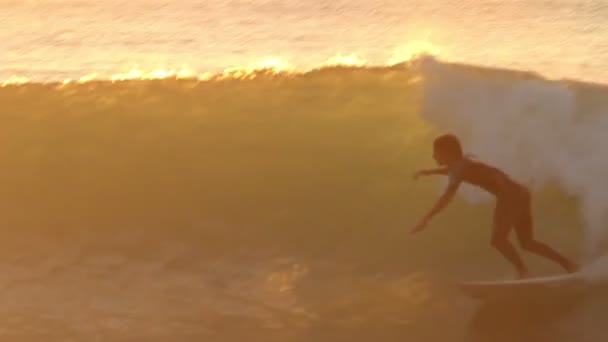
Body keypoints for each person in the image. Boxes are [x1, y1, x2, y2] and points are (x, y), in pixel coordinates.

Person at [411, 133, 577, 279]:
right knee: (527, 242)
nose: (433, 156)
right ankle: (568, 264)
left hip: (510, 197)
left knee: (498, 240)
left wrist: (426, 219)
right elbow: (455, 170)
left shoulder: (460, 168)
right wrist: (429, 172)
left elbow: (446, 198)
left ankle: (524, 272)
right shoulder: (464, 162)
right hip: (522, 192)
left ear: (447, 153)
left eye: (436, 152)